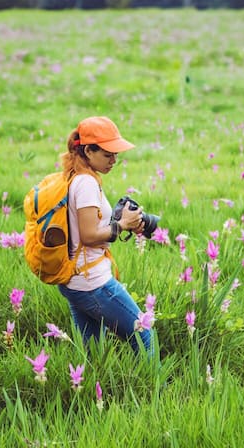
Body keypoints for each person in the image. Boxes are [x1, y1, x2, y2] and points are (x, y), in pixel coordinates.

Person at [55, 116, 155, 355]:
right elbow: (89, 236)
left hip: (74, 280)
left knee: (93, 350)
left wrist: (125, 224)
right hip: (93, 282)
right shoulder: (86, 183)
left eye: (116, 155)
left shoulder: (73, 176)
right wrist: (121, 225)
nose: (114, 161)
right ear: (88, 150)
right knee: (143, 333)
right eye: (108, 154)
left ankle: (92, 391)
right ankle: (155, 390)